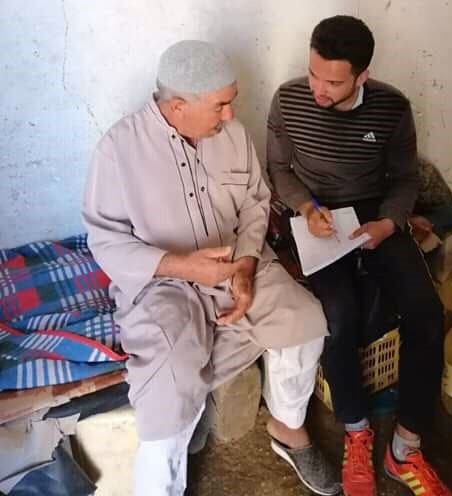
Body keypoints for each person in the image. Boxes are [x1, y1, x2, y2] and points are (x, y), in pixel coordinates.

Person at [82, 40, 340, 496]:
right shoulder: (118, 150)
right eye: (220, 105)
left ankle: (288, 429)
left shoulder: (233, 134)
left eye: (232, 101)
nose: (230, 115)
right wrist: (181, 267)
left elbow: (257, 202)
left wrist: (243, 264)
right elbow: (104, 239)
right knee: (170, 380)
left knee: (305, 321)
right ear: (178, 105)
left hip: (242, 262)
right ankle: (164, 477)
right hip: (164, 282)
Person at [267, 16, 452, 496]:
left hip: (374, 216)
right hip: (317, 218)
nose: (319, 89)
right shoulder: (289, 100)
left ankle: (405, 449)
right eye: (313, 74)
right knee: (339, 314)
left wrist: (390, 222)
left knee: (426, 313)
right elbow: (279, 166)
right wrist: (305, 208)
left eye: (333, 81)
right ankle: (356, 433)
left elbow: (406, 177)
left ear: (362, 77)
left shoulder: (392, 107)